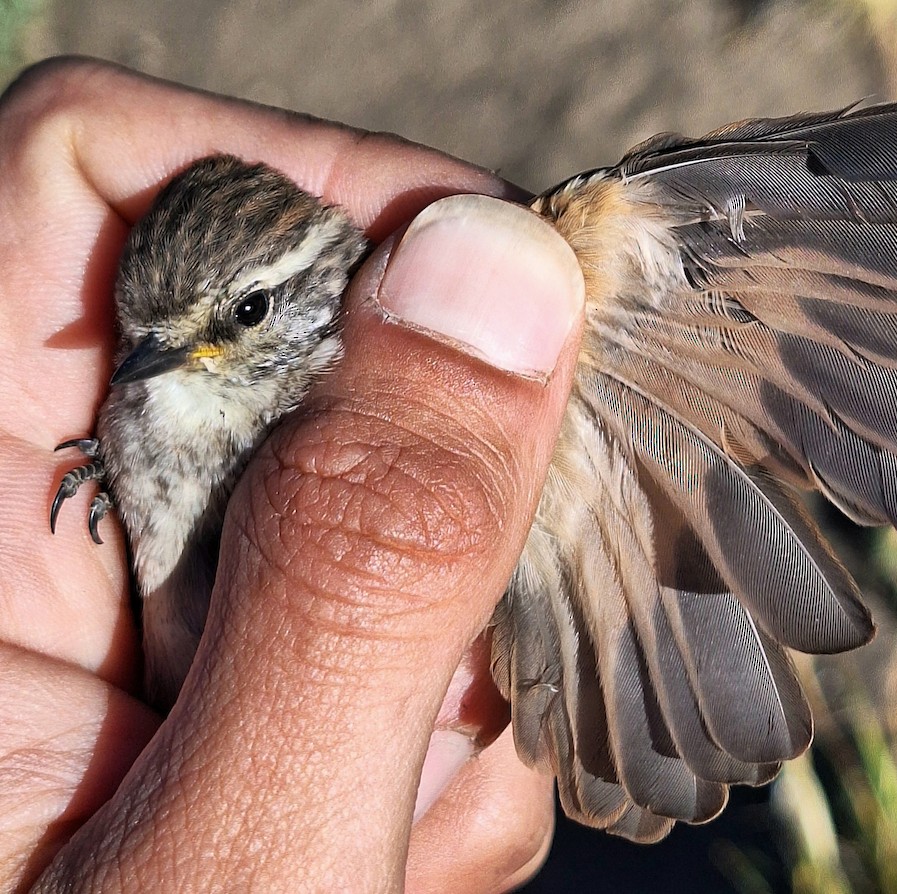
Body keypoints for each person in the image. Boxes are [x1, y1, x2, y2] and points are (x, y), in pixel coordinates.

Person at [0, 56, 582, 892]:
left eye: (239, 318)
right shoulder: (151, 388)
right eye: (141, 338)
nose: (158, 361)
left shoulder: (357, 373)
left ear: (305, 287)